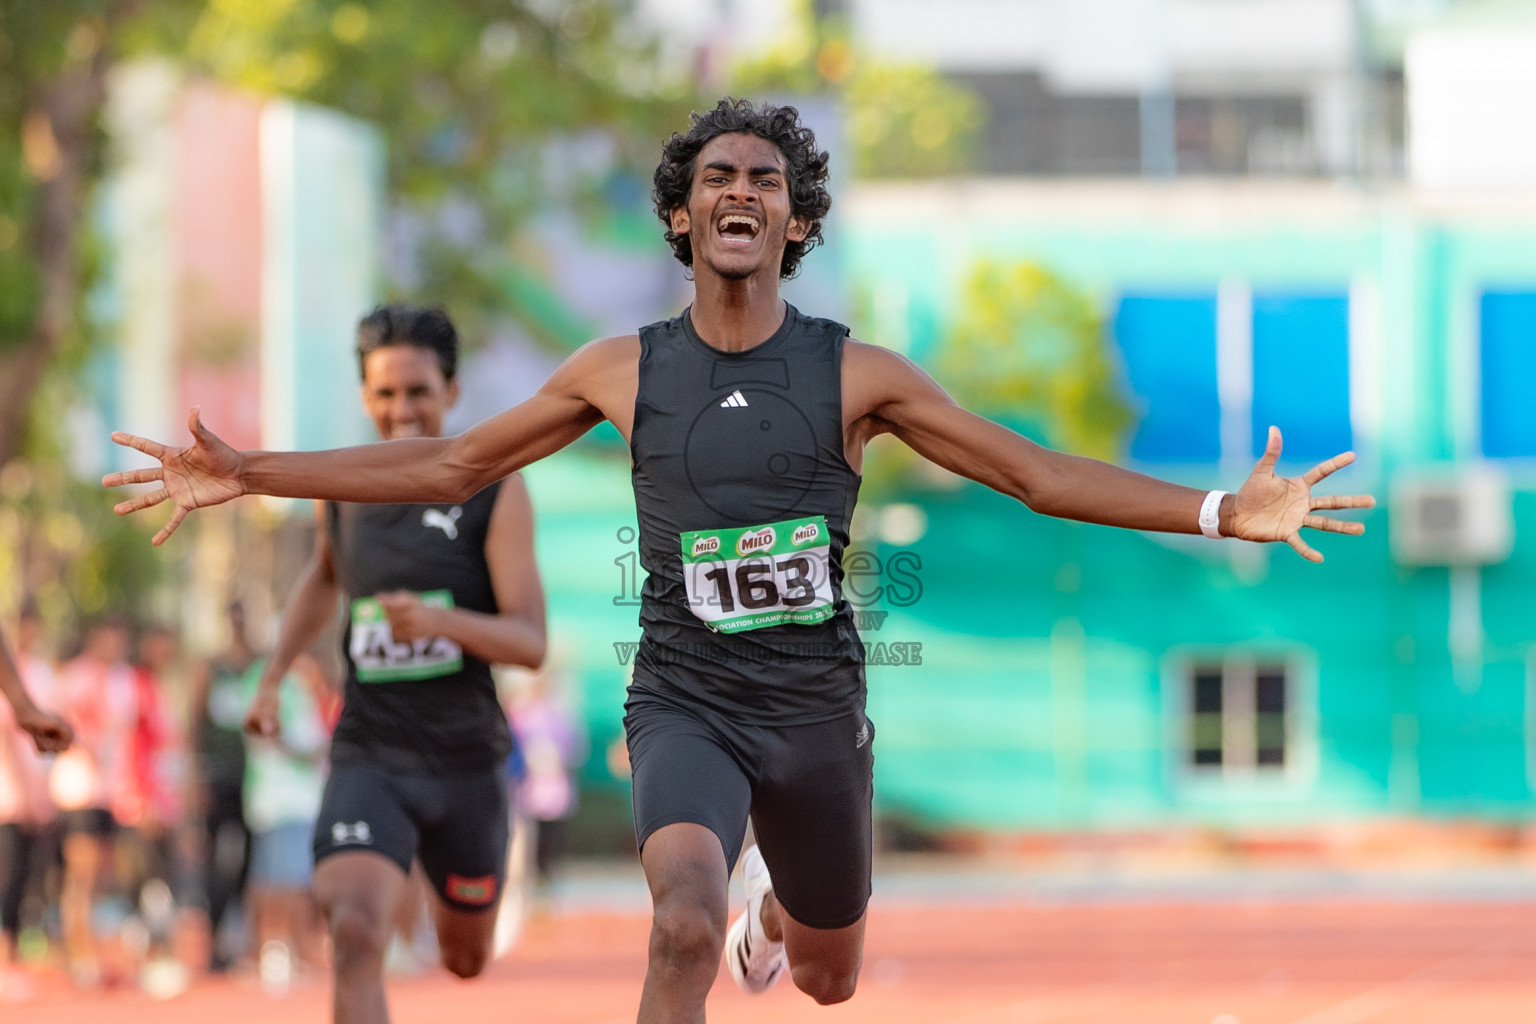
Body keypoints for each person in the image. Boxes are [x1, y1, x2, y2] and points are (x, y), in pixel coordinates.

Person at [104, 98, 1373, 1022]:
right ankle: (728, 908)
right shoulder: (620, 371)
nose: (741, 191)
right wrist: (256, 472)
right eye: (718, 173)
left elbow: (1033, 473)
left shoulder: (853, 374)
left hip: (817, 713)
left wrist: (1220, 509)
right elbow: (449, 466)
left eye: (767, 178)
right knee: (679, 921)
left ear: (794, 220)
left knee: (829, 977)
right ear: (681, 210)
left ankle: (783, 913)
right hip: (686, 703)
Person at [233, 304, 546, 1023]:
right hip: (370, 750)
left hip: (465, 759)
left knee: (466, 957)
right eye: (385, 394)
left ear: (452, 393)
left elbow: (530, 642)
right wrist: (275, 675)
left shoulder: (495, 488)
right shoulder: (345, 486)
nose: (402, 410)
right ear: (365, 397)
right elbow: (323, 575)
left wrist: (442, 623)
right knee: (354, 929)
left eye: (419, 392)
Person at [51, 614, 141, 987]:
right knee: (81, 875)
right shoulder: (75, 677)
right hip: (79, 789)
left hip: (111, 792)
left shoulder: (124, 681)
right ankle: (79, 956)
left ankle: (100, 955)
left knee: (106, 876)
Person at [0, 604, 70, 999]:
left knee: (27, 879)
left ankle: (11, 957)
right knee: (8, 878)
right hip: (10, 795)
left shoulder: (42, 674)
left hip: (36, 795)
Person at [186, 601, 257, 972]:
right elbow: (194, 723)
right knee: (215, 860)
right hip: (218, 778)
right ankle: (212, 941)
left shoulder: (261, 665)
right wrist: (196, 776)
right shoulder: (211, 668)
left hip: (258, 779)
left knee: (252, 859)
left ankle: (242, 939)